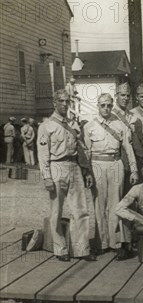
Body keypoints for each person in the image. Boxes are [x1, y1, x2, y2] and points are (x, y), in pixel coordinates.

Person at [37, 90, 95, 261]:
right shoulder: (46, 126)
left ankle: (82, 249)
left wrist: (85, 170)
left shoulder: (73, 124)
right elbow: (42, 155)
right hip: (56, 166)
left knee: (81, 210)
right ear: (54, 103)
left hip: (74, 166)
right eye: (61, 101)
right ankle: (60, 249)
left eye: (67, 101)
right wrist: (47, 177)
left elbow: (81, 149)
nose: (64, 104)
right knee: (56, 210)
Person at [83, 93, 138, 257]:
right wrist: (87, 172)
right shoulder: (90, 126)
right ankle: (101, 243)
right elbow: (86, 152)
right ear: (97, 106)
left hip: (115, 164)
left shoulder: (120, 125)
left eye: (108, 105)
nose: (106, 108)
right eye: (102, 105)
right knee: (99, 205)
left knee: (115, 204)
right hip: (97, 164)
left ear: (112, 105)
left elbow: (128, 148)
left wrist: (134, 169)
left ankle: (116, 242)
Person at [113, 82, 143, 176]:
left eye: (128, 96)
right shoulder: (111, 115)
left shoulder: (133, 116)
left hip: (133, 156)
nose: (125, 98)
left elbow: (139, 139)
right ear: (116, 96)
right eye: (122, 95)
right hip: (118, 156)